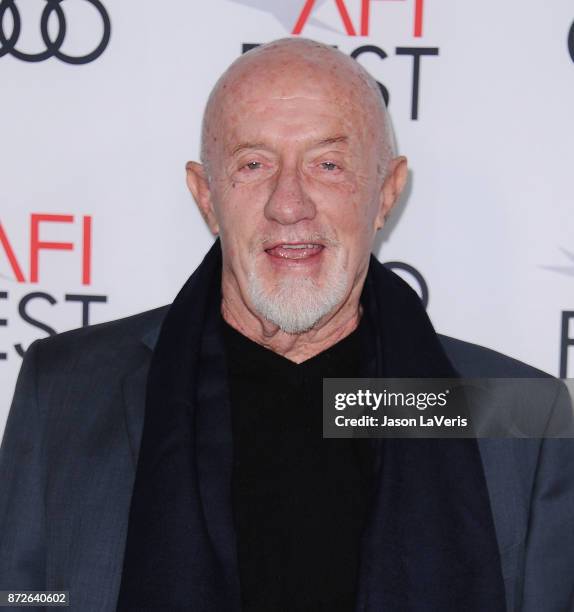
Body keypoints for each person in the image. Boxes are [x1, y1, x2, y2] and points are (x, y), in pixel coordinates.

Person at [0, 37, 573, 612]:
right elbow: (21, 597)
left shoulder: (521, 419)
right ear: (206, 196)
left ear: (387, 193)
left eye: (328, 164)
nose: (289, 203)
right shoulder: (67, 390)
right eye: (253, 165)